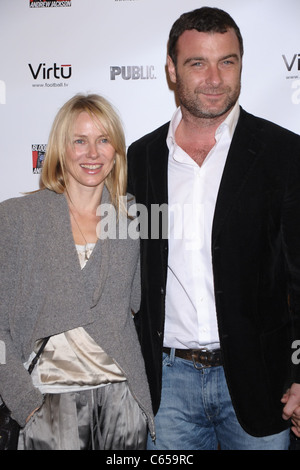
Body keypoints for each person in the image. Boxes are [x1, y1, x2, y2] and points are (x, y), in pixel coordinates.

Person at [127, 7, 300, 450]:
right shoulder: (140, 160)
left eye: (228, 61)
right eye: (197, 63)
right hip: (167, 390)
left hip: (261, 382)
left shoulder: (283, 153)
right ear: (171, 69)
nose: (215, 78)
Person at [0, 93, 155, 450]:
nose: (93, 153)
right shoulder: (18, 219)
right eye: (80, 141)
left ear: (116, 150)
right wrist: (25, 403)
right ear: (60, 149)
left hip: (122, 403)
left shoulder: (130, 217)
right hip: (48, 402)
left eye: (103, 140)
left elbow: (133, 305)